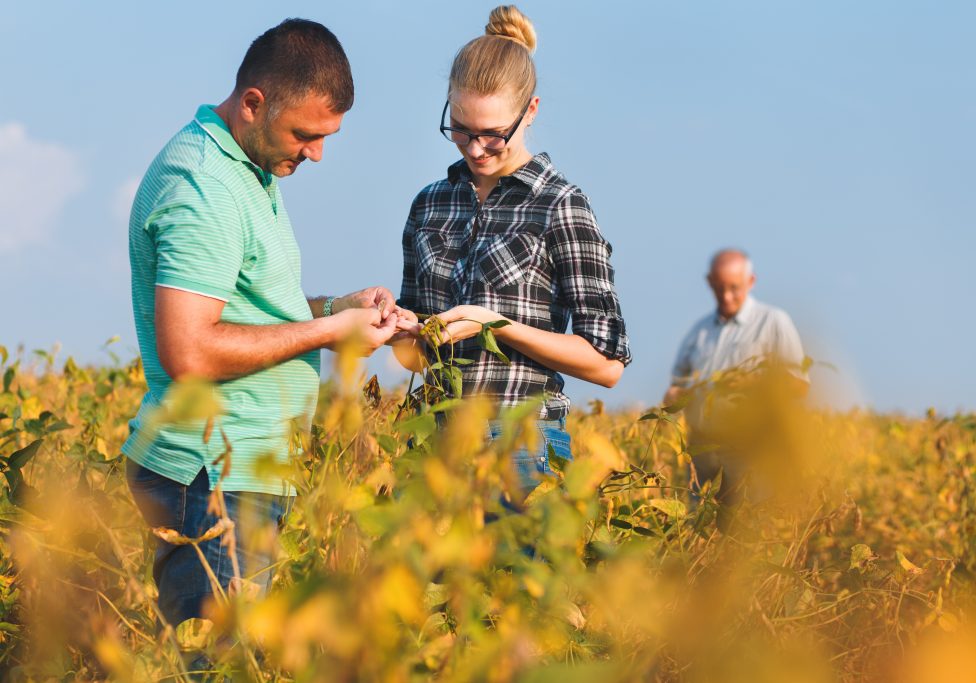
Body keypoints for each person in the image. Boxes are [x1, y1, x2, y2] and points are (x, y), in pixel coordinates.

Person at [122, 19, 401, 627]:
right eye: (306, 134)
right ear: (254, 103)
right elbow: (189, 351)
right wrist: (331, 335)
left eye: (326, 137)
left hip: (239, 472)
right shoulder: (204, 185)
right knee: (217, 663)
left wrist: (335, 309)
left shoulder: (247, 170)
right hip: (210, 479)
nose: (316, 153)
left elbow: (253, 312)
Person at [394, 5, 631, 495]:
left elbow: (606, 364)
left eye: (493, 134)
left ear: (532, 111)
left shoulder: (561, 205)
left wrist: (493, 324)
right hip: (435, 448)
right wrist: (399, 328)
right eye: (460, 128)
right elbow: (413, 358)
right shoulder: (430, 204)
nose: (475, 148)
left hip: (523, 448)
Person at [664, 248, 808, 505]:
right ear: (709, 282)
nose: (727, 296)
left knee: (743, 527)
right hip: (700, 452)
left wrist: (756, 383)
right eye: (719, 288)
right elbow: (675, 386)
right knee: (696, 527)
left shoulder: (773, 322)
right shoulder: (700, 331)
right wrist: (676, 396)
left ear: (751, 282)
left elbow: (799, 385)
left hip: (748, 451)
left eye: (735, 287)